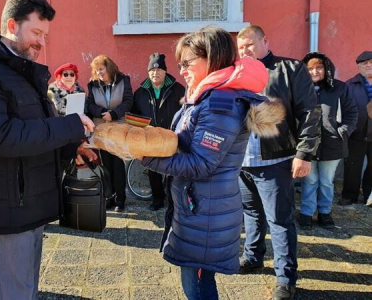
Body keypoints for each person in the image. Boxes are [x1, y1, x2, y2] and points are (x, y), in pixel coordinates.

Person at [0, 0, 96, 300]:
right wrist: (70, 125)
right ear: (12, 25)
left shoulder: (16, 67)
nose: (41, 41)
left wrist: (71, 146)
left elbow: (34, 129)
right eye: (36, 32)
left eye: (45, 34)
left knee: (24, 291)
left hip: (23, 205)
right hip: (4, 212)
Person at [140, 27, 282, 300]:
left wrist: (147, 158)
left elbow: (201, 164)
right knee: (196, 276)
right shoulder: (205, 96)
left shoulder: (219, 103)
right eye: (180, 63)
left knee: (197, 282)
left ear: (213, 58)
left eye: (187, 62)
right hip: (201, 204)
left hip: (206, 208)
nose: (181, 70)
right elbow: (185, 141)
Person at [236, 25, 320, 300]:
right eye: (240, 48)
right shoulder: (236, 73)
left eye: (249, 45)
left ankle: (285, 277)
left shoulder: (289, 70)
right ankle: (253, 256)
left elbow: (309, 112)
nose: (245, 51)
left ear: (265, 41)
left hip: (277, 159)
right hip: (243, 160)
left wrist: (304, 153)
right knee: (251, 213)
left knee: (280, 220)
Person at [298, 52, 357, 229]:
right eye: (309, 69)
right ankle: (306, 214)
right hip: (307, 146)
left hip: (333, 144)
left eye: (319, 68)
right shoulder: (301, 88)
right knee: (309, 181)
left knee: (326, 181)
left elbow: (351, 112)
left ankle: (325, 213)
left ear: (326, 69)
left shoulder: (339, 88)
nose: (314, 72)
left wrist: (343, 131)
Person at [132, 53, 185, 211]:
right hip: (150, 138)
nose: (155, 73)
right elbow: (134, 115)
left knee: (172, 170)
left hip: (171, 137)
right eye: (152, 70)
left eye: (159, 69)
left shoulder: (177, 89)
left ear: (165, 71)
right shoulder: (140, 92)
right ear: (148, 72)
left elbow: (184, 112)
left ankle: (173, 199)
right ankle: (157, 199)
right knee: (153, 170)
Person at [86, 55, 133, 212]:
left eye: (101, 69)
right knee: (106, 165)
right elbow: (90, 105)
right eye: (96, 70)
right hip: (101, 130)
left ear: (109, 68)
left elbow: (128, 102)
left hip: (118, 128)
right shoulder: (93, 85)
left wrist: (113, 114)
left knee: (118, 164)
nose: (99, 72)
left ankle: (120, 200)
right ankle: (109, 197)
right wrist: (101, 113)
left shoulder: (123, 80)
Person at [340, 51, 372, 205]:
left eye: (371, 63)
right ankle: (349, 195)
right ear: (359, 67)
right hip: (356, 133)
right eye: (365, 63)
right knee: (352, 166)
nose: (369, 66)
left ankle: (369, 196)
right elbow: (344, 108)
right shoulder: (349, 85)